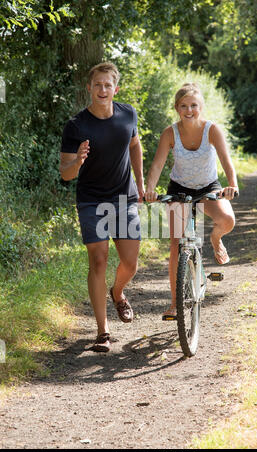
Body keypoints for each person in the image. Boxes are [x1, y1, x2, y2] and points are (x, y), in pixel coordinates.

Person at [60, 62, 144, 352]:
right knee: (98, 259)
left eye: (108, 85)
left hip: (124, 197)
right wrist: (78, 161)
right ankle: (103, 332)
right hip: (91, 199)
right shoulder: (76, 125)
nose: (103, 89)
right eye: (98, 85)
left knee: (131, 262)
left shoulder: (128, 114)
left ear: (115, 88)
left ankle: (117, 293)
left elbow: (135, 146)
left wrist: (141, 185)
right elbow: (65, 173)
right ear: (89, 88)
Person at [145, 83, 238, 320]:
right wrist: (150, 190)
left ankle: (215, 239)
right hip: (179, 188)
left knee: (227, 220)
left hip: (208, 187)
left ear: (201, 107)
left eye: (193, 105)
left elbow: (226, 160)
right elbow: (157, 165)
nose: (189, 110)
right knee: (177, 245)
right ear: (177, 108)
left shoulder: (211, 130)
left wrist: (232, 185)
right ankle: (175, 304)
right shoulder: (170, 133)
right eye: (184, 106)